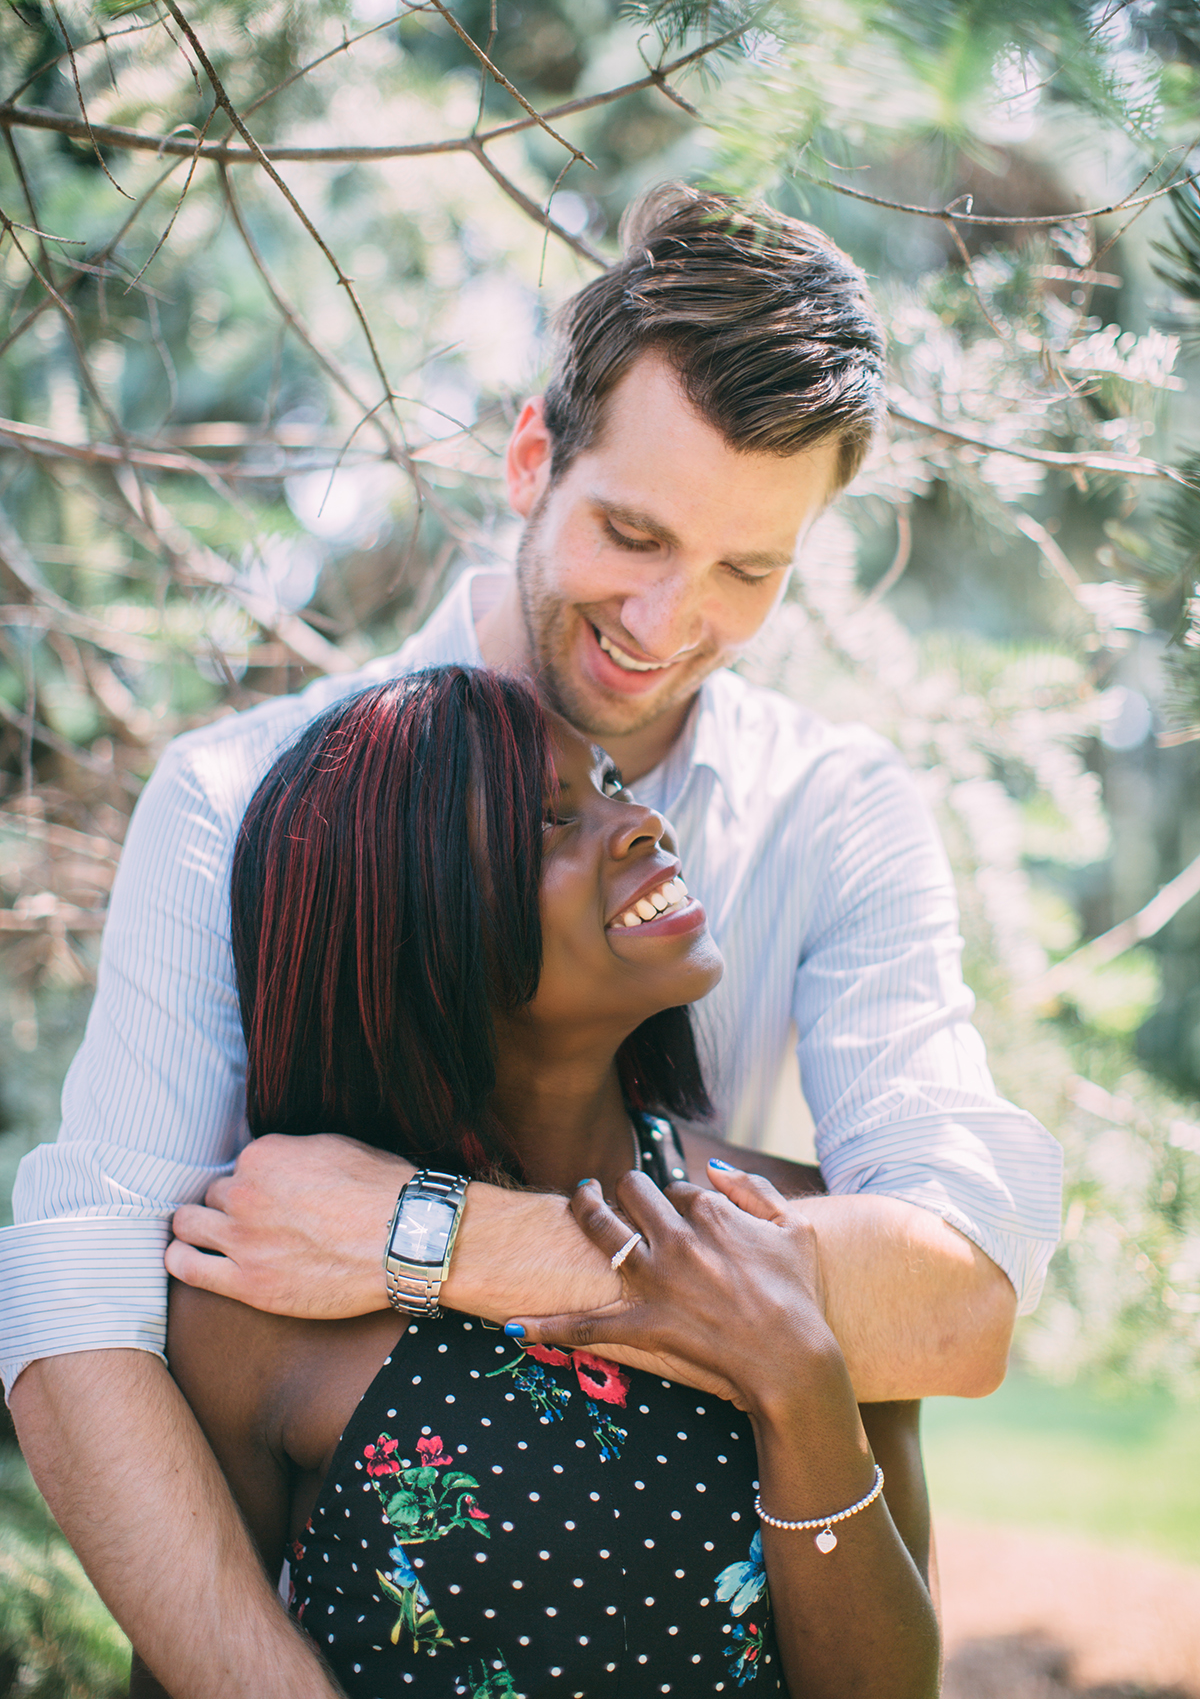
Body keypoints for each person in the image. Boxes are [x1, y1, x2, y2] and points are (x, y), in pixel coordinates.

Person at [2, 184, 1062, 1699]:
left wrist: (418, 1236)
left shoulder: (834, 812)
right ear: (528, 459)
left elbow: (954, 1298)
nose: (665, 619)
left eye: (747, 573)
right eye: (632, 532)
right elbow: (79, 1298)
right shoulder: (248, 795)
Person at [136, 664, 939, 1699]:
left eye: (610, 781)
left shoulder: (796, 1229)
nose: (641, 820)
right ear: (419, 929)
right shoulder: (256, 1304)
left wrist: (798, 1382)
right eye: (553, 823)